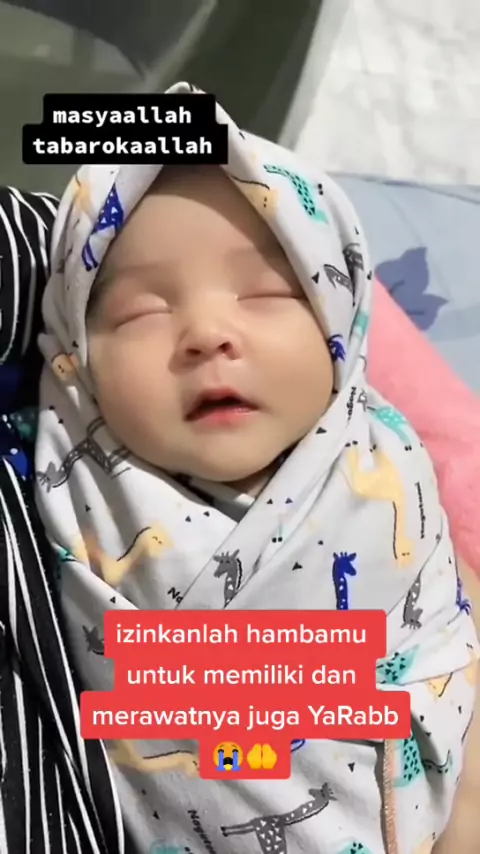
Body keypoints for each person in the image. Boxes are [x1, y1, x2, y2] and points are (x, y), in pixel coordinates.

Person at [32, 81, 479, 854]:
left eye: (268, 292)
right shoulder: (62, 487)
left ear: (343, 326)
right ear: (76, 358)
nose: (208, 332)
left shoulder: (388, 465)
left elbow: (444, 645)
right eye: (142, 311)